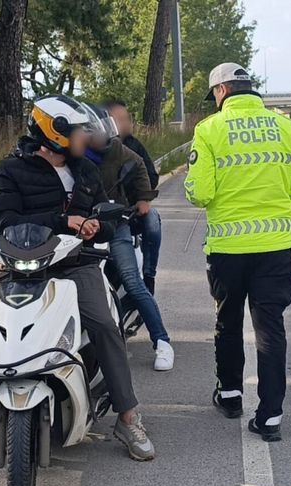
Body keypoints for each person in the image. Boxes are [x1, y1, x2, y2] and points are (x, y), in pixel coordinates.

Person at [0, 95, 155, 467]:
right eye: (77, 131)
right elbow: (3, 220)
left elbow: (105, 216)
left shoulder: (86, 171)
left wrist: (96, 225)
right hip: (22, 265)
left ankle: (127, 418)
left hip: (75, 265)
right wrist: (63, 222)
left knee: (106, 326)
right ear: (54, 131)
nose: (84, 138)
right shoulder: (12, 170)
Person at [185, 63, 291, 442]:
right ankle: (270, 416)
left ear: (221, 92)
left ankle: (230, 395)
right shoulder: (286, 127)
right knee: (270, 329)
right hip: (274, 247)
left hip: (228, 248)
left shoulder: (209, 130)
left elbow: (200, 193)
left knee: (228, 320)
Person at [83, 103, 175, 372]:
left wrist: (144, 198)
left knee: (133, 281)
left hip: (116, 224)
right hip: (82, 228)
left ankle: (162, 341)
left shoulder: (122, 151)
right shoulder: (74, 155)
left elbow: (140, 167)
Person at [104, 99, 163, 296]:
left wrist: (140, 198)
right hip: (98, 215)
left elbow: (151, 176)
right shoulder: (91, 147)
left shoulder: (133, 146)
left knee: (153, 221)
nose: (126, 123)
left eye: (126, 118)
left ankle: (149, 275)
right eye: (119, 119)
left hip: (130, 211)